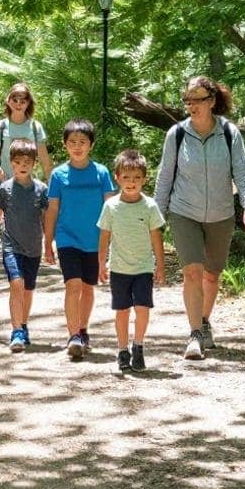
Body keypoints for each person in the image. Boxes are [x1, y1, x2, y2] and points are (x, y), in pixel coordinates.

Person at [154, 75, 245, 361]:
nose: (191, 106)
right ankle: (195, 333)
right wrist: (157, 214)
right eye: (187, 101)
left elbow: (242, 171)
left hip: (221, 214)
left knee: (212, 275)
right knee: (192, 272)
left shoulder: (229, 133)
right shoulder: (176, 134)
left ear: (211, 101)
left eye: (197, 100)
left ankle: (204, 320)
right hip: (183, 211)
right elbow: (165, 177)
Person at [43, 119, 115, 359]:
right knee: (72, 285)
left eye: (82, 142)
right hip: (67, 239)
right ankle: (73, 335)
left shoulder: (102, 173)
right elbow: (52, 210)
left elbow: (110, 207)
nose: (77, 146)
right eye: (72, 142)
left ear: (91, 145)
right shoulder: (58, 175)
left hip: (94, 240)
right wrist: (48, 242)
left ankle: (83, 330)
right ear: (64, 145)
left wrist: (111, 240)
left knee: (87, 286)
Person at [97, 149, 166, 373]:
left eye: (137, 178)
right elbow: (104, 237)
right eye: (126, 177)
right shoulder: (111, 206)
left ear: (144, 179)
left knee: (143, 307)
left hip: (143, 268)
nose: (131, 182)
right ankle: (122, 350)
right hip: (119, 268)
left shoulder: (150, 206)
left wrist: (160, 266)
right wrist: (101, 264)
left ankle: (138, 346)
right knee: (122, 310)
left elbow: (157, 238)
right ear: (116, 177)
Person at [0, 138, 51, 352]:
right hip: (11, 246)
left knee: (28, 290)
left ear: (34, 164)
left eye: (28, 162)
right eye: (19, 161)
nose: (23, 165)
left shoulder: (41, 190)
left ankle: (23, 324)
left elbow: (47, 218)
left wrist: (50, 245)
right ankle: (16, 331)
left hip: (33, 248)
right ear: (11, 163)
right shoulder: (4, 190)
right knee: (17, 284)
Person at [0, 83, 54, 192]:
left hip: (29, 185)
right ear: (8, 101)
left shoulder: (35, 127)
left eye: (23, 101)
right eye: (15, 100)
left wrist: (52, 186)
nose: (18, 104)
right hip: (4, 182)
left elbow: (44, 159)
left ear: (28, 104)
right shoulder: (0, 127)